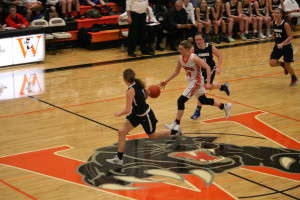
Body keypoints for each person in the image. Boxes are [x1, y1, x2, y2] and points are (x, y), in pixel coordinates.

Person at [106, 69, 183, 165]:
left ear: (124, 79)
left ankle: (175, 131)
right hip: (136, 114)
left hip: (146, 116)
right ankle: (119, 158)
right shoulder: (139, 84)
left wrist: (119, 113)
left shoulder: (130, 91)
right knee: (121, 132)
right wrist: (143, 99)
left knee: (153, 136)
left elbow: (127, 110)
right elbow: (147, 92)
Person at [160, 40, 232, 131]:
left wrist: (209, 83)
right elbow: (176, 72)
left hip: (196, 82)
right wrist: (166, 81)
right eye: (179, 49)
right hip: (191, 81)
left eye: (181, 49)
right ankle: (224, 106)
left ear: (187, 49)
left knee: (180, 101)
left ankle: (176, 124)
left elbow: (207, 67)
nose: (179, 51)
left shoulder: (194, 58)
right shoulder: (180, 58)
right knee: (203, 100)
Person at [188, 33, 230, 120]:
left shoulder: (210, 47)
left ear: (204, 39)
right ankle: (223, 86)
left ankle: (198, 111)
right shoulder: (194, 49)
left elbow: (220, 56)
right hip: (200, 71)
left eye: (200, 39)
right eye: (196, 40)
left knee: (203, 88)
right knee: (209, 87)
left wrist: (218, 67)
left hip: (210, 70)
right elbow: (188, 59)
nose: (198, 41)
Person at [269, 8, 297, 86]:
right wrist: (273, 35)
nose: (276, 14)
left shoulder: (285, 24)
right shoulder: (272, 23)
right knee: (272, 63)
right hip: (277, 46)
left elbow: (290, 37)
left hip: (287, 47)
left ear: (281, 15)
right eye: (275, 13)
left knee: (288, 66)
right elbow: (275, 31)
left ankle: (294, 77)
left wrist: (282, 43)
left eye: (278, 13)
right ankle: (282, 65)